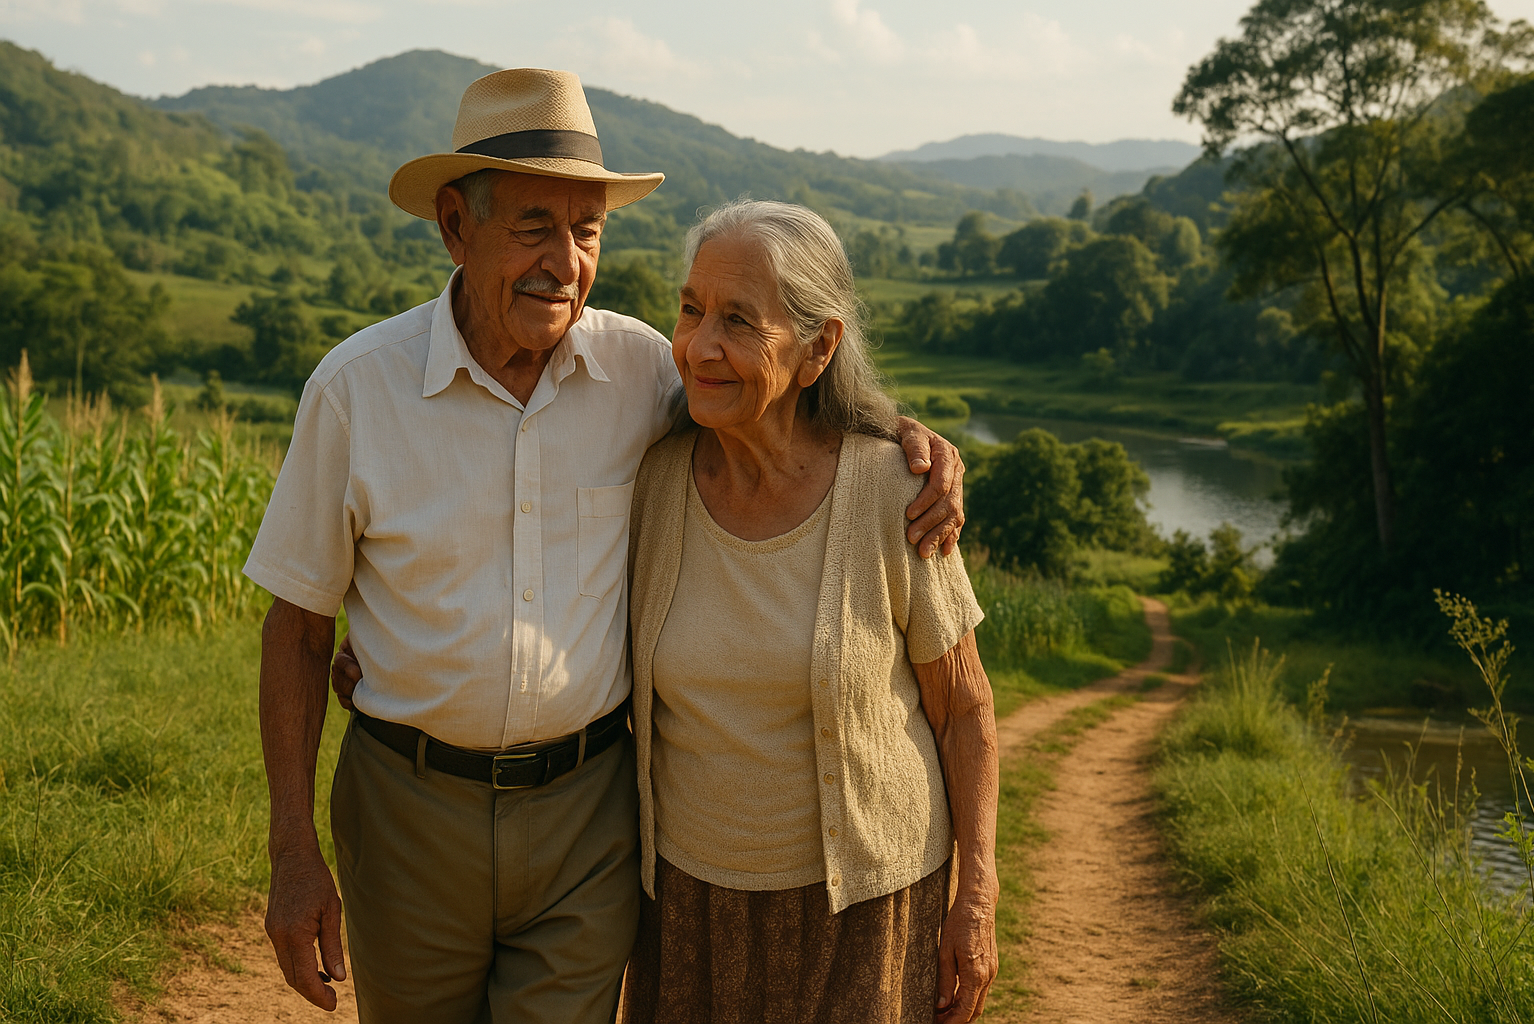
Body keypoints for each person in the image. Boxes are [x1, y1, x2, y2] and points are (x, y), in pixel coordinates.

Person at [246, 69, 965, 1023]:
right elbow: (297, 630)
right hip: (406, 809)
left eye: (587, 231)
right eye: (533, 227)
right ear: (456, 226)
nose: (564, 262)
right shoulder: (356, 392)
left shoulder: (644, 372)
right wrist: (292, 851)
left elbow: (773, 397)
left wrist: (901, 437)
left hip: (587, 815)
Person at [620, 200, 998, 1024]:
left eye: (738, 320)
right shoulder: (650, 482)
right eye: (690, 309)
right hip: (686, 908)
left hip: (867, 906)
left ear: (819, 348)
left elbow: (964, 708)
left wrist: (977, 894)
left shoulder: (896, 492)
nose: (700, 346)